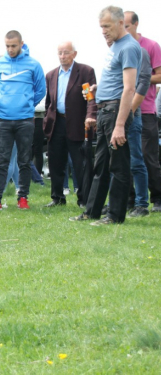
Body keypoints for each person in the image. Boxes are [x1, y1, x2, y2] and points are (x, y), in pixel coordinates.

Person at [70, 6, 141, 225]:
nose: (103, 31)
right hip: (104, 110)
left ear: (121, 23)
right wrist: (96, 89)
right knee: (100, 164)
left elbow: (129, 88)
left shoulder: (129, 47)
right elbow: (115, 81)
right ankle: (92, 211)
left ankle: (115, 216)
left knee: (118, 166)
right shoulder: (115, 46)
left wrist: (120, 126)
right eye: (101, 27)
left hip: (115, 113)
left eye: (107, 26)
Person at [0, 30, 45, 211]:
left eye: (13, 46)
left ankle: (23, 198)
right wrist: (3, 104)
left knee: (24, 160)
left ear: (21, 44)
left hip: (25, 120)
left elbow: (41, 90)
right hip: (4, 119)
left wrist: (26, 104)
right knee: (2, 161)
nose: (10, 49)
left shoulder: (34, 65)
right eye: (7, 46)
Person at [43, 41, 97, 208]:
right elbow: (48, 102)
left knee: (80, 163)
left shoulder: (85, 71)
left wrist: (90, 117)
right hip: (56, 123)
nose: (62, 56)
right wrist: (47, 119)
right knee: (56, 162)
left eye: (66, 52)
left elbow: (91, 99)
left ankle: (83, 199)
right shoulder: (51, 75)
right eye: (60, 52)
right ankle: (57, 198)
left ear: (74, 54)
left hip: (77, 123)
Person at [124, 11, 161, 213]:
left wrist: (139, 77)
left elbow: (160, 76)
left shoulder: (151, 46)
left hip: (145, 110)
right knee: (128, 158)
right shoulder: (120, 47)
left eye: (127, 26)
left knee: (148, 157)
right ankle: (131, 199)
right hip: (125, 110)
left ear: (136, 24)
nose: (124, 29)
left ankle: (157, 197)